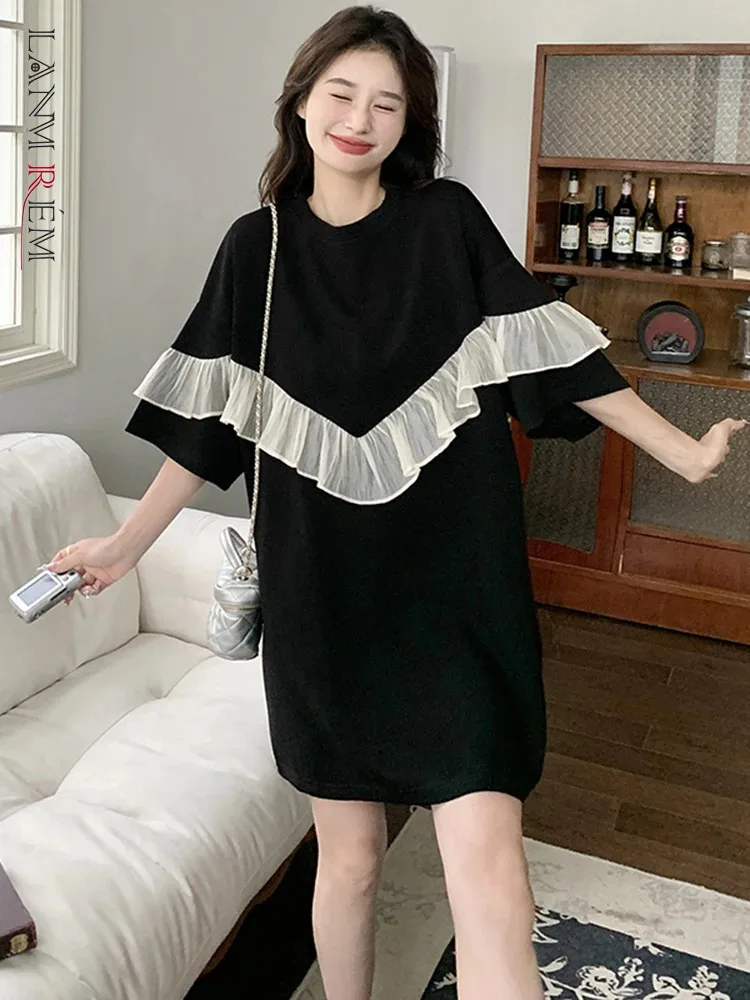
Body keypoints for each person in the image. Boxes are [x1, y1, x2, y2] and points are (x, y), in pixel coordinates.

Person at [46, 7, 745, 999]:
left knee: (490, 864)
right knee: (351, 861)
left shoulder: (446, 221)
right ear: (300, 102)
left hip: (459, 589)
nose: (360, 119)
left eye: (387, 103)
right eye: (341, 94)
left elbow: (553, 352)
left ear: (410, 120)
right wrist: (123, 546)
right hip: (324, 597)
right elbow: (207, 430)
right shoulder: (257, 249)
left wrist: (681, 448)